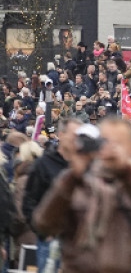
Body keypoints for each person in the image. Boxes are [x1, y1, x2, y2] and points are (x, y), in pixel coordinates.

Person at [32, 118, 131, 273]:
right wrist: (72, 177)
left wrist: (128, 173)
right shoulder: (75, 182)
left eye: (118, 143)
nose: (110, 148)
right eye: (105, 141)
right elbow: (43, 223)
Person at [23, 117, 82, 273]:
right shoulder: (43, 164)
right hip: (51, 241)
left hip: (78, 243)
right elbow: (29, 201)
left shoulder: (85, 165)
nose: (78, 140)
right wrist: (43, 232)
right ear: (61, 135)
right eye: (74, 135)